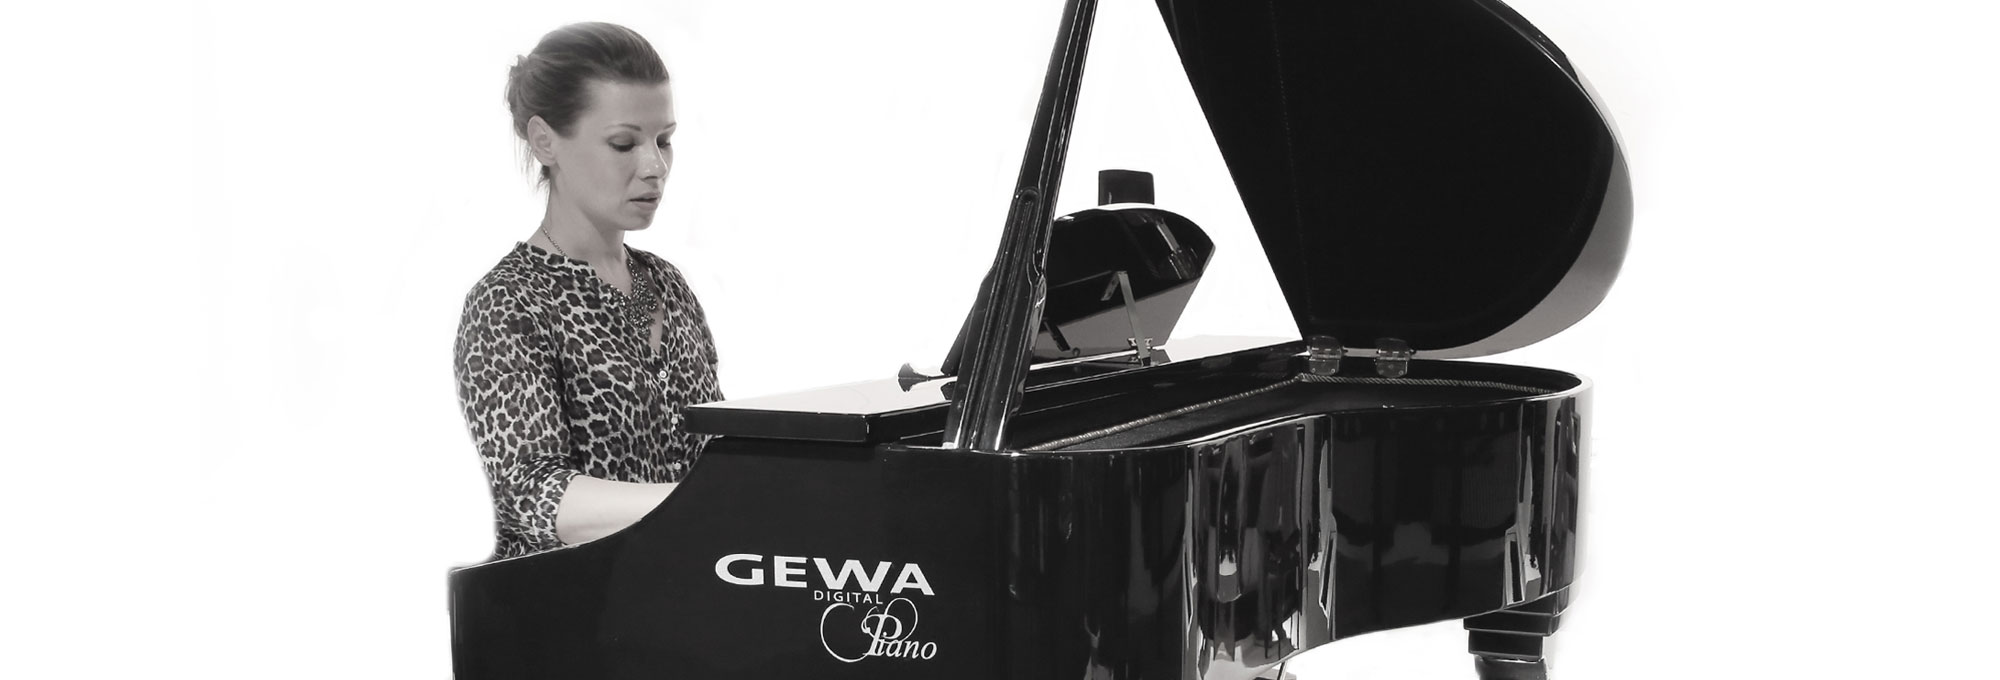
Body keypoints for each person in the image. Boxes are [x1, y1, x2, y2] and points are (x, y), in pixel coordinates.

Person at [454, 22, 722, 560]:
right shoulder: (509, 302)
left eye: (664, 140)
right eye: (624, 143)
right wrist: (704, 503)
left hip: (685, 594)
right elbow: (536, 495)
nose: (654, 166)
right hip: (571, 603)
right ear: (544, 141)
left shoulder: (665, 285)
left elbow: (714, 453)